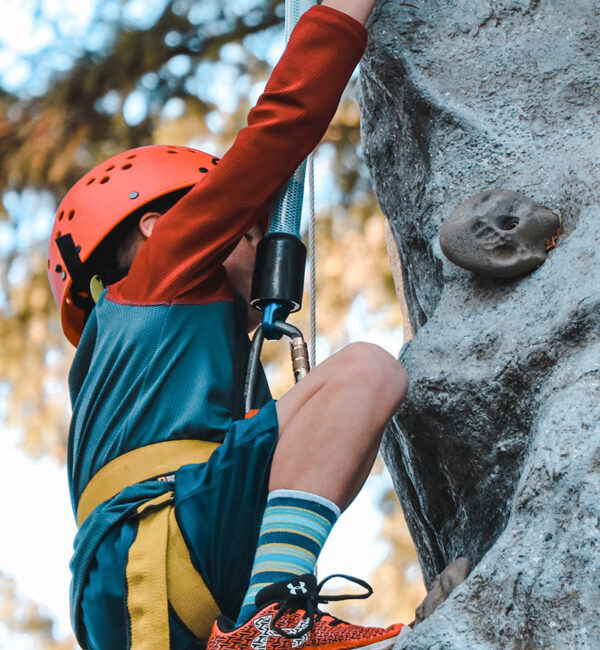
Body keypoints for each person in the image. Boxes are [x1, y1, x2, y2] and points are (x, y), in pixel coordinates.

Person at [48, 0, 410, 648]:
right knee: (366, 372)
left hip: (135, 591)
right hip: (157, 546)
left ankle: (271, 611)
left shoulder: (149, 357)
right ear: (158, 226)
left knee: (322, 430)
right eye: (239, 224)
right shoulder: (162, 269)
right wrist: (344, 12)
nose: (255, 230)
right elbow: (276, 135)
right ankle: (275, 609)